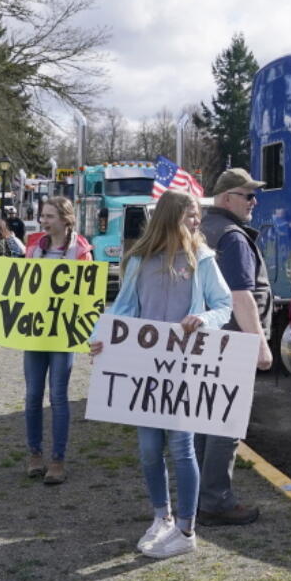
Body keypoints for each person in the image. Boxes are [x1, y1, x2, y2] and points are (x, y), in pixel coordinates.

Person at [90, 190, 232, 559]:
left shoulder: (202, 259)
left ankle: (186, 529)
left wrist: (203, 319)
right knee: (150, 450)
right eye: (190, 215)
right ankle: (161, 517)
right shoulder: (138, 259)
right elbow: (122, 307)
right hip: (143, 366)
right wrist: (99, 338)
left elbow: (223, 305)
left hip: (184, 367)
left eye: (198, 215)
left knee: (182, 448)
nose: (197, 221)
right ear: (169, 217)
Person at [196, 168, 274, 527]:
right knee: (225, 424)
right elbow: (242, 297)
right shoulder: (233, 237)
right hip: (232, 341)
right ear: (227, 198)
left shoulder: (201, 230)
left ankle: (197, 495)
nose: (254, 202)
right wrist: (260, 344)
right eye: (248, 195)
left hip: (206, 338)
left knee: (201, 421)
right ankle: (216, 501)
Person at [20, 197, 92, 485]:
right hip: (36, 331)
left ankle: (58, 458)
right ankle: (35, 453)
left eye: (50, 216)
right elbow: (23, 283)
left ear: (66, 219)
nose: (45, 221)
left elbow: (87, 294)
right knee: (32, 394)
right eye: (43, 216)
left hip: (63, 333)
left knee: (59, 396)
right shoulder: (35, 247)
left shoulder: (80, 251)